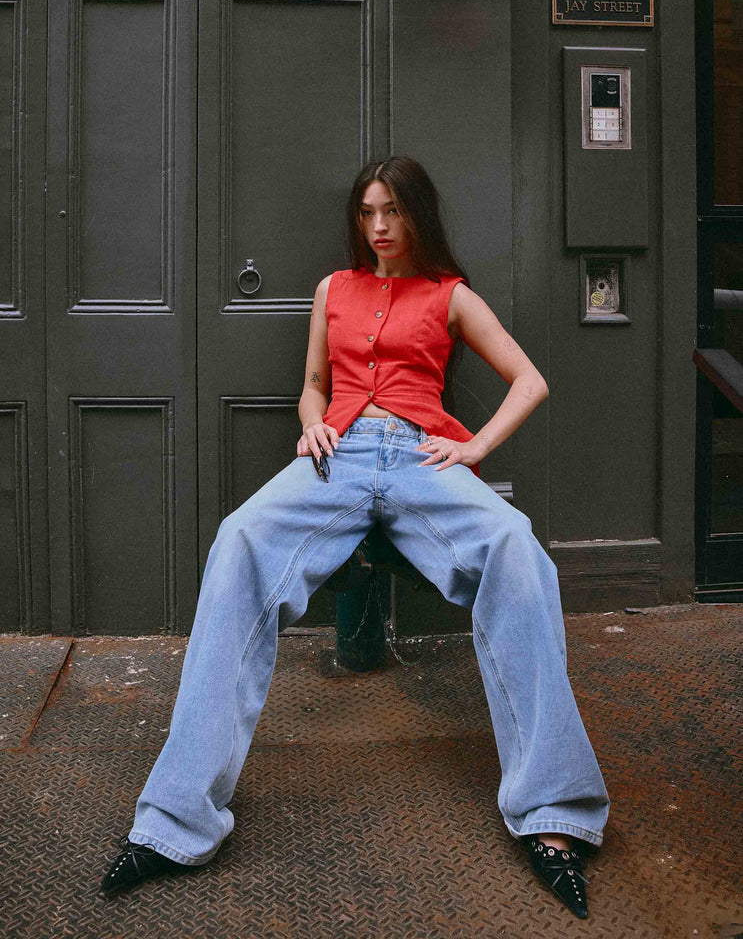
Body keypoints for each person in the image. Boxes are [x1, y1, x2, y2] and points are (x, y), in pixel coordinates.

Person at [100, 155, 609, 919]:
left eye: (393, 212)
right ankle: (173, 823)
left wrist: (472, 448)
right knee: (238, 540)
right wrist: (311, 428)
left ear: (417, 216)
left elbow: (529, 380)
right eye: (368, 212)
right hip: (336, 456)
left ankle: (554, 816)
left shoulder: (451, 296)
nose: (378, 227)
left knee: (513, 546)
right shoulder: (332, 290)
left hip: (417, 456)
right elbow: (312, 384)